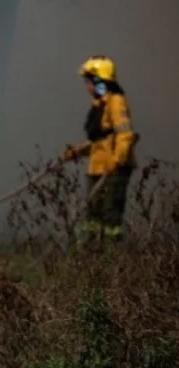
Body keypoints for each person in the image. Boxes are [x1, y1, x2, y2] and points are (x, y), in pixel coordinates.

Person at [62, 55, 138, 244]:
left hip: (113, 169)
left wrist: (117, 160)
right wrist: (77, 152)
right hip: (97, 166)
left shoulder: (116, 102)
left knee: (111, 215)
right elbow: (99, 141)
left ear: (101, 82)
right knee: (92, 214)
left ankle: (112, 258)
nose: (87, 86)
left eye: (89, 81)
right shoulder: (99, 104)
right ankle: (91, 257)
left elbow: (124, 135)